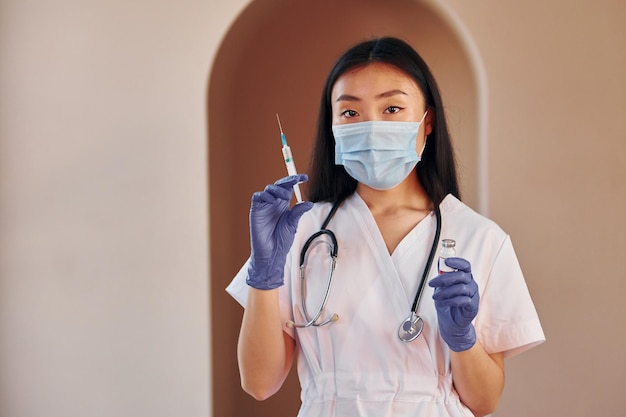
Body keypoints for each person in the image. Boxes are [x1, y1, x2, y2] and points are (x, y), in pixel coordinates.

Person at [226, 36, 545, 417]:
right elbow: (259, 383)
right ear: (332, 127)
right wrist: (264, 274)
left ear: (427, 123)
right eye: (350, 113)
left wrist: (462, 339)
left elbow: (484, 401)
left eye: (392, 108)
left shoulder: (479, 237)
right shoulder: (300, 230)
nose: (372, 128)